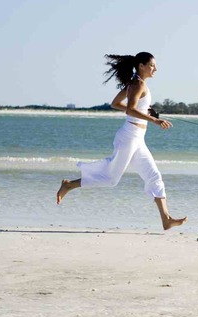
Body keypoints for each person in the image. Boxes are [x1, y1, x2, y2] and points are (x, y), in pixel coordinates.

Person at [56, 52, 187, 230]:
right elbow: (130, 110)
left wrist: (146, 112)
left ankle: (166, 219)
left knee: (154, 175)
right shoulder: (138, 83)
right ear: (141, 65)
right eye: (152, 65)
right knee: (111, 179)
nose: (155, 68)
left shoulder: (136, 83)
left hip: (138, 138)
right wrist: (154, 120)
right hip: (129, 137)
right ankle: (69, 185)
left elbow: (116, 104)